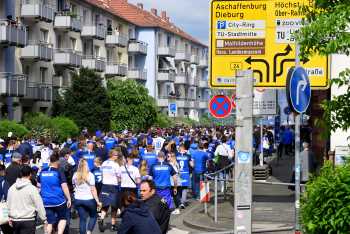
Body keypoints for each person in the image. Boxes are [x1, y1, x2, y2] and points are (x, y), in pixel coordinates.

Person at [38, 152, 71, 234]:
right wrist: (69, 198)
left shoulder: (42, 171)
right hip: (58, 200)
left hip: (45, 201)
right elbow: (64, 186)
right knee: (63, 218)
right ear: (57, 162)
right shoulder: (58, 171)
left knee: (49, 222)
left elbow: (38, 185)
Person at [7, 165, 47, 234]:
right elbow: (39, 204)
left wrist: (9, 217)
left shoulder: (12, 188)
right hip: (28, 220)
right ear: (30, 174)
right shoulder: (32, 188)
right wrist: (44, 219)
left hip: (15, 220)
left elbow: (8, 204)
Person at [72, 159, 102, 234]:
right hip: (89, 199)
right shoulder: (90, 175)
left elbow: (73, 186)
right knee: (93, 216)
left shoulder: (75, 175)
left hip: (78, 199)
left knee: (82, 219)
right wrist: (98, 201)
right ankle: (89, 231)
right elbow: (93, 189)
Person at [98, 150, 121, 232]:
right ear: (111, 155)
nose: (117, 156)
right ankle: (113, 225)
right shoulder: (115, 164)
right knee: (114, 206)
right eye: (116, 155)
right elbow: (119, 176)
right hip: (113, 186)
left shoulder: (104, 163)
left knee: (105, 205)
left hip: (105, 186)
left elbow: (101, 173)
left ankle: (101, 218)